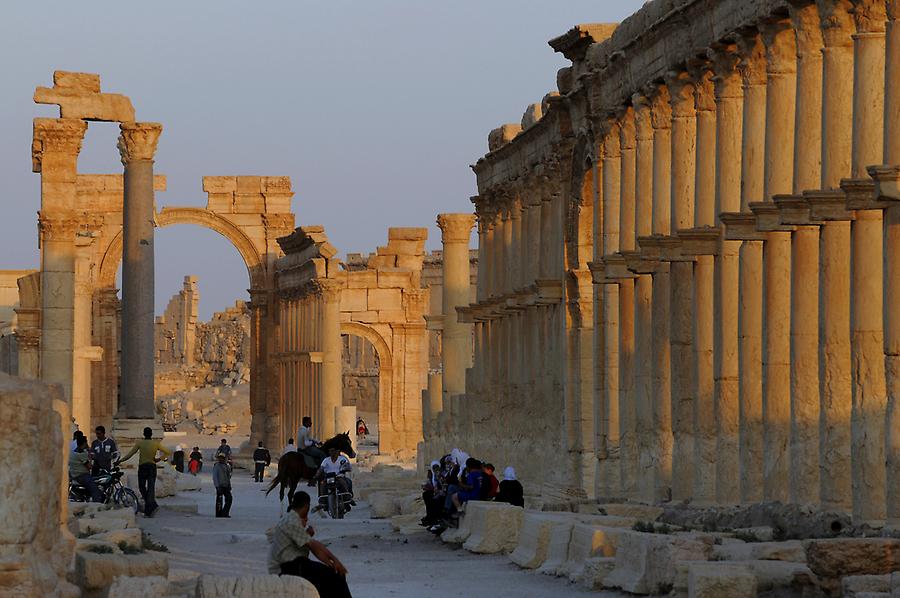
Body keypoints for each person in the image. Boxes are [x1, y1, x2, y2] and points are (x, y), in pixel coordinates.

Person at [268, 491, 352, 598]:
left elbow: (306, 543)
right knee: (335, 576)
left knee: (331, 577)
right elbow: (314, 546)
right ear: (306, 506)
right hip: (291, 567)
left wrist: (330, 562)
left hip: (293, 565)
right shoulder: (292, 521)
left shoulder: (290, 518)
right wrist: (334, 561)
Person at [118, 427, 170, 517]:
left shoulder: (140, 443)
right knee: (151, 488)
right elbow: (167, 452)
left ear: (144, 434)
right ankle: (151, 506)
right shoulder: (155, 444)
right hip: (152, 467)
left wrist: (120, 461)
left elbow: (130, 454)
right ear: (151, 434)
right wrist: (158, 459)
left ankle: (149, 509)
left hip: (143, 467)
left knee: (142, 487)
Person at [70, 436, 103, 502]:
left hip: (74, 475)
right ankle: (97, 505)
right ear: (84, 443)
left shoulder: (74, 452)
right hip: (82, 476)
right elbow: (89, 466)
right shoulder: (81, 454)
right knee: (95, 490)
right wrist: (90, 458)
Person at [421, 461, 443, 526]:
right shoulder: (432, 475)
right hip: (435, 491)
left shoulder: (440, 474)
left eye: (437, 467)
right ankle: (430, 517)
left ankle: (435, 518)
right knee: (426, 495)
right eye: (434, 467)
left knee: (434, 500)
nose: (435, 469)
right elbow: (432, 484)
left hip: (440, 492)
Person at [213, 453, 233, 518]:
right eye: (220, 458)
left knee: (229, 499)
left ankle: (225, 512)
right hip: (220, 486)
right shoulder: (216, 466)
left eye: (222, 458)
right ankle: (218, 514)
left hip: (226, 485)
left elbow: (228, 476)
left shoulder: (226, 466)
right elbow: (215, 477)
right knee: (219, 501)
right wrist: (217, 486)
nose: (221, 459)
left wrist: (229, 485)